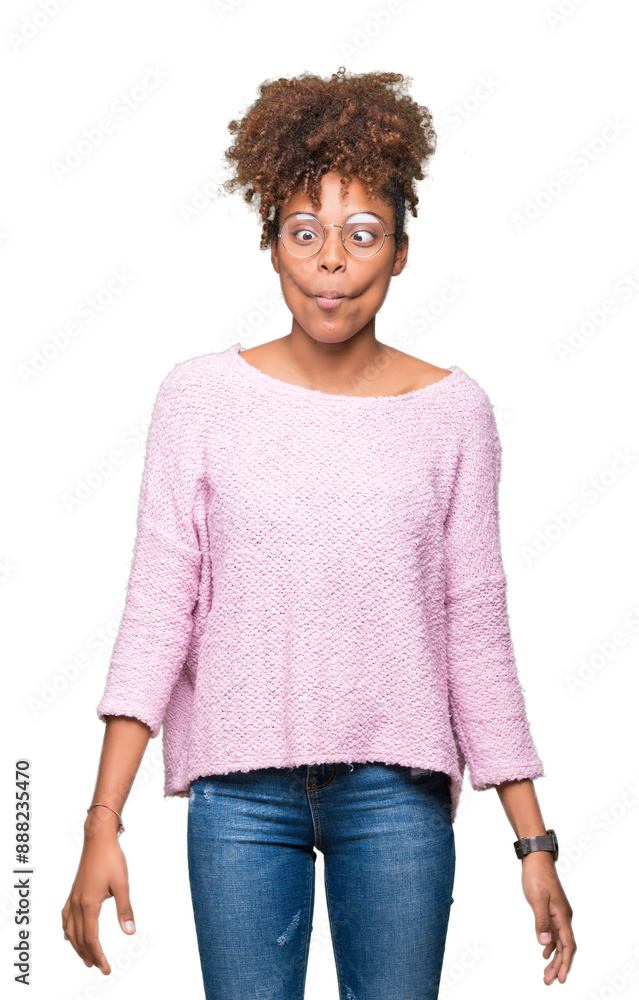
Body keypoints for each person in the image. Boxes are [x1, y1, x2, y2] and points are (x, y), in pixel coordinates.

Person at [62, 67, 576, 998]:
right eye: (304, 233)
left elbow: (474, 631)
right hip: (237, 798)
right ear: (271, 245)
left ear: (401, 252)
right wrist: (103, 818)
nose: (331, 261)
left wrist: (531, 841)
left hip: (396, 796)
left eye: (360, 234)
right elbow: (158, 611)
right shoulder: (198, 399)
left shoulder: (454, 413)